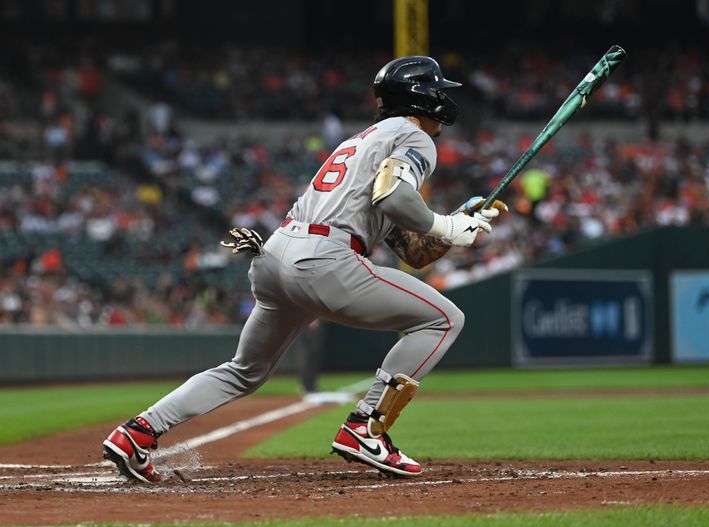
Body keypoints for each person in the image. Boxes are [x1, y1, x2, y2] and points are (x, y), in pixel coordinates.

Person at [101, 56, 505, 481]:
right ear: (422, 97)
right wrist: (447, 224)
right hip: (324, 258)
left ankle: (138, 432)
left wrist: (459, 220)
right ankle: (365, 428)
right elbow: (394, 200)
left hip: (277, 255)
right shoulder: (414, 136)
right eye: (438, 90)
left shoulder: (366, 140)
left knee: (244, 371)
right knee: (444, 319)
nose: (443, 98)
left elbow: (414, 250)